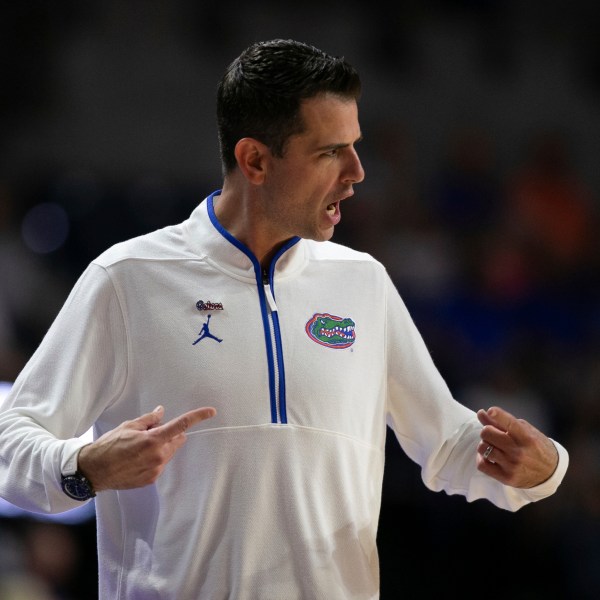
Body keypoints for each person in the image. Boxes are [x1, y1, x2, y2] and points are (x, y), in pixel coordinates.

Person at [0, 39, 568, 600]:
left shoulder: (363, 282)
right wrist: (80, 467)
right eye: (330, 152)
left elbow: (447, 443)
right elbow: (10, 443)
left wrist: (541, 467)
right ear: (254, 160)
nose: (358, 171)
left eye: (355, 146)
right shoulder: (127, 279)